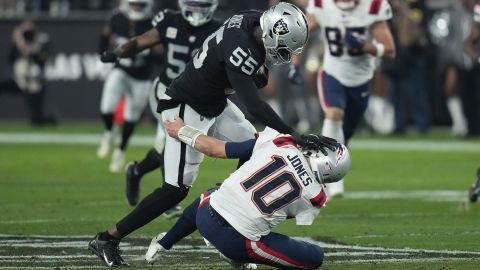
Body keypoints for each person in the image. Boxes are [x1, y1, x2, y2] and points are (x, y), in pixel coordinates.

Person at [88, 2, 338, 267]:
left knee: (255, 147)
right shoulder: (242, 47)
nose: (286, 54)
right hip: (186, 107)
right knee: (174, 191)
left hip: (214, 103)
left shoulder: (253, 20)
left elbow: (251, 69)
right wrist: (293, 134)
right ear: (273, 32)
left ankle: (228, 211)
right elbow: (255, 105)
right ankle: (108, 238)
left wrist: (259, 71)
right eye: (285, 46)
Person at [144, 117, 350, 269]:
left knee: (217, 192)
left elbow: (216, 148)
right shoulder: (316, 197)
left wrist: (182, 131)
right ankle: (236, 258)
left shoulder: (281, 142)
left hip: (205, 215)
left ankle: (163, 243)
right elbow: (278, 215)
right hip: (236, 243)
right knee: (315, 257)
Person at [122, 0, 222, 213]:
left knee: (168, 144)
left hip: (193, 95)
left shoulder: (218, 29)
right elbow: (146, 41)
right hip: (166, 92)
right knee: (170, 140)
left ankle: (137, 171)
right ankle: (169, 196)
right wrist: (119, 51)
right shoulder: (170, 20)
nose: (197, 6)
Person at [306, 0, 396, 197]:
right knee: (334, 113)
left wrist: (368, 47)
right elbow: (301, 30)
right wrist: (294, 62)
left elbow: (389, 50)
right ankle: (329, 179)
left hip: (361, 79)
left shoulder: (373, 6)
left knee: (345, 136)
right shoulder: (321, 4)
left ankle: (333, 171)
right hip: (332, 73)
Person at [96, 0, 155, 173]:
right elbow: (104, 36)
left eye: (140, 5)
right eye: (134, 4)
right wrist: (102, 55)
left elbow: (160, 52)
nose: (137, 7)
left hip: (141, 76)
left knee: (131, 117)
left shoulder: (152, 23)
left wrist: (150, 52)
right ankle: (109, 132)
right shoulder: (117, 18)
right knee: (106, 107)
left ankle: (120, 151)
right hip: (121, 69)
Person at [0, 19, 56, 126]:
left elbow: (44, 60)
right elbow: (10, 59)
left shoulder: (41, 42)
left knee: (36, 120)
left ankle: (51, 120)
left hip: (34, 83)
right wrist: (15, 43)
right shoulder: (19, 43)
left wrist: (33, 52)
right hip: (20, 80)